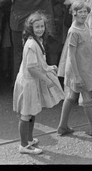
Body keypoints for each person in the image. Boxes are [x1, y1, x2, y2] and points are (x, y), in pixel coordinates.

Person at [12, 11, 65, 155]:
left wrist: (48, 68)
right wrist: (46, 79)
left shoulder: (38, 41)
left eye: (42, 26)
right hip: (28, 83)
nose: (40, 29)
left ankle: (29, 139)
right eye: (37, 27)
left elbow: (38, 63)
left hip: (32, 82)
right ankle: (24, 145)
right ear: (31, 28)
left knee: (32, 111)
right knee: (26, 114)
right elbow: (31, 68)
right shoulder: (31, 44)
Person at [56, 3, 92, 138]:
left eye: (85, 12)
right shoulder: (74, 31)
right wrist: (76, 76)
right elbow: (71, 55)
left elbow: (88, 46)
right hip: (78, 70)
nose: (83, 14)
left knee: (71, 96)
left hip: (86, 67)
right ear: (74, 13)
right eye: (80, 12)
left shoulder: (85, 26)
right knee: (87, 97)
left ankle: (62, 126)